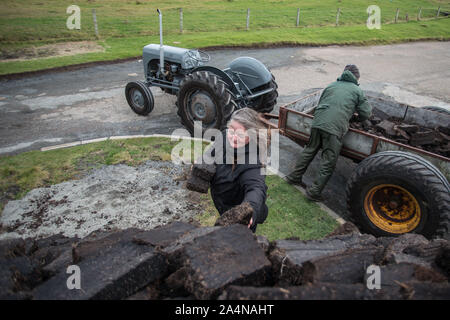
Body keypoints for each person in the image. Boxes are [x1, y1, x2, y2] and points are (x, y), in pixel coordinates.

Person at [286, 64, 372, 201]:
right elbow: (366, 113)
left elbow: (321, 103)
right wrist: (356, 117)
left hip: (318, 122)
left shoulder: (331, 85)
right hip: (334, 127)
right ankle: (314, 192)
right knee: (328, 161)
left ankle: (293, 177)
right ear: (356, 77)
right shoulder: (357, 90)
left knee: (310, 150)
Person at [208, 108, 270, 233]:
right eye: (232, 131)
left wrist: (249, 211)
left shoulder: (252, 163)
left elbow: (256, 188)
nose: (234, 138)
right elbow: (213, 152)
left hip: (238, 216)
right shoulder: (225, 136)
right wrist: (203, 162)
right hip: (223, 202)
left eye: (241, 134)